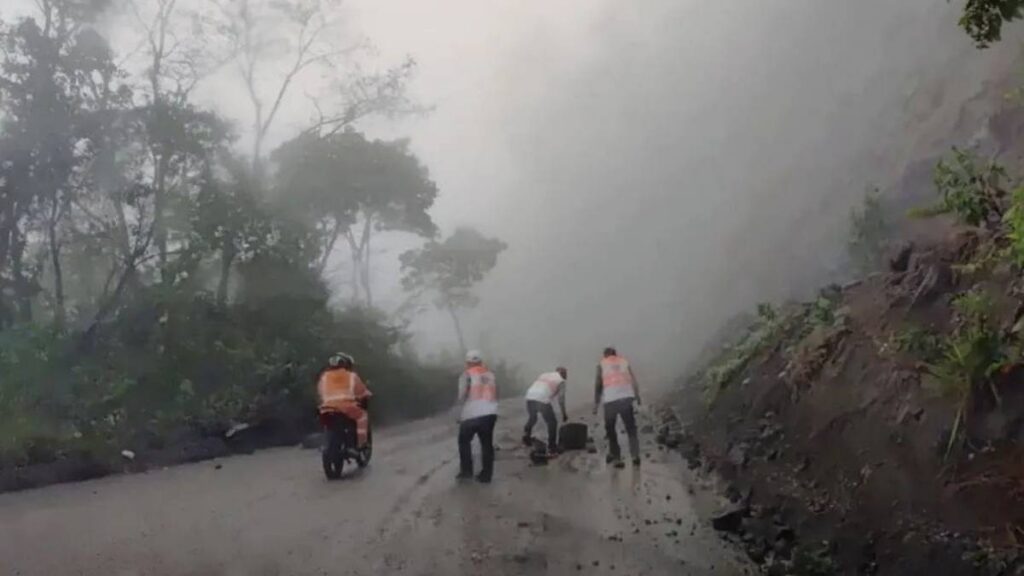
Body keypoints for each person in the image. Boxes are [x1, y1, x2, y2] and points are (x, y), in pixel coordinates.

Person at [593, 347, 642, 468]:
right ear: (615, 354)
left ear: (605, 355)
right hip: (626, 398)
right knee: (631, 428)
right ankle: (635, 456)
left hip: (611, 400)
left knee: (610, 429)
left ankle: (617, 458)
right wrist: (637, 395)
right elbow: (633, 379)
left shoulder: (602, 364)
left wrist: (596, 403)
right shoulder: (624, 362)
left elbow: (598, 385)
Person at [455, 349, 499, 483]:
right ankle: (486, 475)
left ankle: (467, 472)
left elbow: (462, 396)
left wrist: (458, 414)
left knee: (464, 441)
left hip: (472, 414)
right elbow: (495, 392)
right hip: (490, 413)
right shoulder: (491, 375)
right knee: (486, 444)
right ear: (481, 361)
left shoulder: (466, 374)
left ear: (467, 362)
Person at [317, 353, 372, 448]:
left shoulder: (324, 377)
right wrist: (366, 395)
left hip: (327, 408)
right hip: (348, 408)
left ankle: (326, 444)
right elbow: (362, 392)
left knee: (327, 424)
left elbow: (320, 392)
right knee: (362, 416)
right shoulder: (352, 376)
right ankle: (361, 443)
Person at [522, 367, 568, 453]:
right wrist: (564, 414)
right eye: (566, 374)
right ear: (563, 374)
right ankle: (552, 446)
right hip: (542, 398)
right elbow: (561, 399)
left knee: (533, 417)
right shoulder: (561, 381)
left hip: (529, 396)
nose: (566, 376)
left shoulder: (544, 375)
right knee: (552, 422)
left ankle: (526, 436)